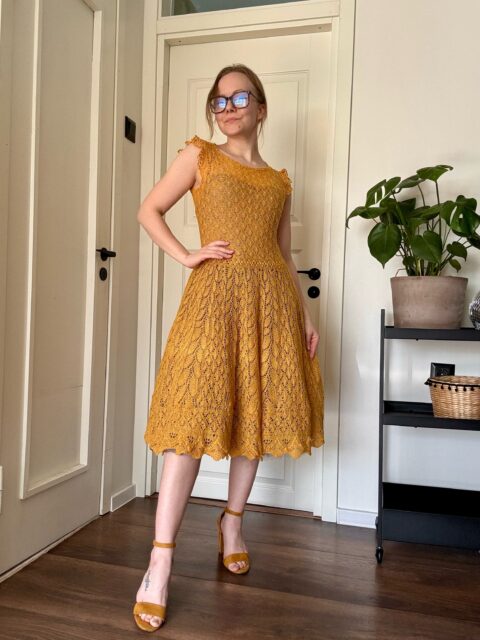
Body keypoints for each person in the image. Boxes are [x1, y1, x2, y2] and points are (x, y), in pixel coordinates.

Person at [133, 63, 324, 632]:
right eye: (219, 100)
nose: (229, 107)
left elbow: (283, 255)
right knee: (189, 418)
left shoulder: (279, 182)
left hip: (271, 305)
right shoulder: (199, 156)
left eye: (241, 98)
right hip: (214, 300)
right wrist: (187, 255)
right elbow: (149, 210)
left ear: (261, 108)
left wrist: (305, 314)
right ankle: (160, 561)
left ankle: (232, 522)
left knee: (254, 416)